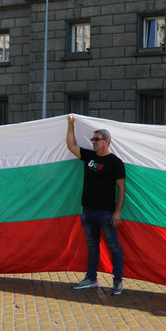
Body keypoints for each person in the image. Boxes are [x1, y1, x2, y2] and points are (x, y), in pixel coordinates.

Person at [66, 115, 127, 295]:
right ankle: (91, 278)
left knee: (114, 246)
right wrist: (70, 125)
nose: (93, 142)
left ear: (106, 141)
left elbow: (121, 188)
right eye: (93, 139)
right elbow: (71, 146)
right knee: (92, 246)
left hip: (106, 213)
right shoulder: (89, 156)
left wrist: (117, 213)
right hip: (88, 211)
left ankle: (117, 281)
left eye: (97, 139)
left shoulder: (116, 163)